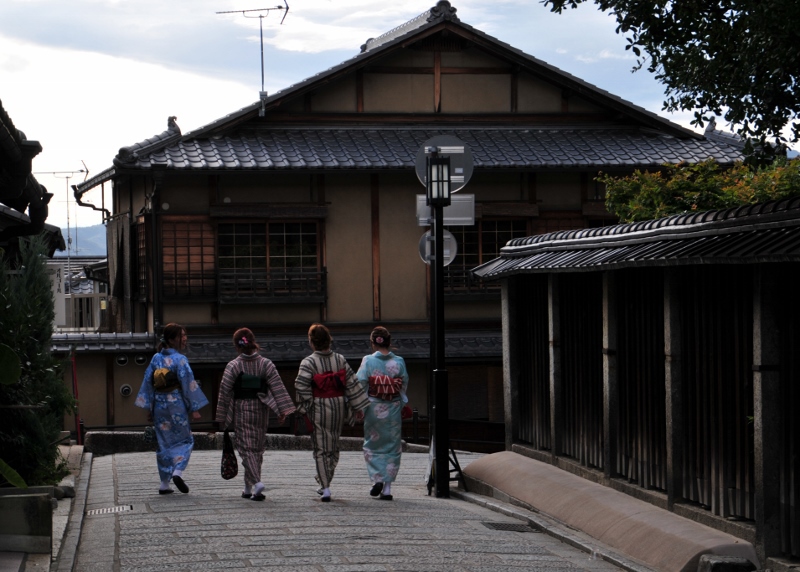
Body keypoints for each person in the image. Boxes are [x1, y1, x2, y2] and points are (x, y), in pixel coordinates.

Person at [215, 328, 296, 501]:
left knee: (246, 448)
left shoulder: (233, 365)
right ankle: (248, 489)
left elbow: (224, 391)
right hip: (261, 408)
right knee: (257, 449)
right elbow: (277, 387)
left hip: (242, 408)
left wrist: (222, 416)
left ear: (237, 346)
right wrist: (282, 410)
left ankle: (257, 483)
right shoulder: (266, 364)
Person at [294, 323, 369, 502]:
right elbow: (351, 383)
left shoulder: (308, 362)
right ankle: (325, 480)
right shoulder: (340, 359)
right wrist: (357, 407)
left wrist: (308, 404)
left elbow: (301, 385)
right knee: (333, 445)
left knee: (321, 447)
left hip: (319, 406)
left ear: (312, 341)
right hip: (338, 406)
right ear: (328, 339)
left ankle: (325, 487)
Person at [135, 323, 209, 495]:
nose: (185, 339)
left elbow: (148, 383)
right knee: (186, 440)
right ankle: (178, 471)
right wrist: (195, 408)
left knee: (163, 442)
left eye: (185, 335)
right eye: (181, 336)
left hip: (159, 405)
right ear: (171, 339)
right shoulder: (180, 360)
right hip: (176, 404)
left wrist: (149, 408)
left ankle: (164, 483)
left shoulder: (156, 358)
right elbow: (188, 384)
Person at [356, 326, 409, 501]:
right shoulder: (399, 361)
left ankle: (377, 479)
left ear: (373, 343)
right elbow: (403, 386)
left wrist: (360, 407)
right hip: (393, 407)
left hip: (374, 408)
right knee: (393, 446)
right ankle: (387, 488)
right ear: (389, 342)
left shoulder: (368, 360)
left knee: (372, 444)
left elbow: (361, 383)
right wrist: (400, 404)